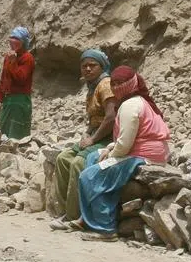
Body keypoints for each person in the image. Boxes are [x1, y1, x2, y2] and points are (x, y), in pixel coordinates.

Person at [68, 65, 171, 241]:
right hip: (141, 152)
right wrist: (108, 149)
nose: (116, 88)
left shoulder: (130, 105)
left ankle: (105, 229)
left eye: (120, 83)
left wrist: (111, 154)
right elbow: (126, 139)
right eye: (113, 83)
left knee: (89, 176)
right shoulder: (136, 101)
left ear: (131, 84)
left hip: (142, 157)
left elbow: (124, 145)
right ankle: (87, 217)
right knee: (93, 157)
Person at [50, 48, 116, 230]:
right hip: (95, 135)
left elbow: (111, 117)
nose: (87, 69)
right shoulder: (91, 87)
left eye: (92, 65)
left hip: (107, 138)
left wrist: (93, 139)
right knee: (63, 158)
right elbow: (95, 117)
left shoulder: (105, 84)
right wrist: (87, 133)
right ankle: (64, 210)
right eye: (84, 65)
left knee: (79, 162)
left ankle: (75, 216)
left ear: (101, 67)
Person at [0, 26, 34, 140]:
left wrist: (13, 62)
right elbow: (4, 78)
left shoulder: (28, 58)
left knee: (17, 136)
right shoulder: (8, 57)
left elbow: (21, 79)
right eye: (12, 38)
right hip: (8, 100)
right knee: (3, 133)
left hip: (20, 100)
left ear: (24, 42)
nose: (13, 41)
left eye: (17, 39)